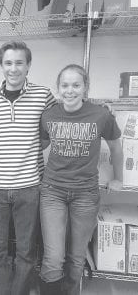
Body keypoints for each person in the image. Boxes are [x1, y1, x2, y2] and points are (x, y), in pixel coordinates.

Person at [0, 40, 56, 295]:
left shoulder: (44, 95)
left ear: (28, 65)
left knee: (26, 249)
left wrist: (99, 110)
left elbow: (63, 120)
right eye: (8, 63)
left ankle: (20, 291)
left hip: (29, 186)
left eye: (19, 63)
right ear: (1, 66)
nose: (14, 69)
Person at [39, 64, 123, 295]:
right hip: (52, 191)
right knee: (53, 257)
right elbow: (40, 143)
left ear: (85, 88)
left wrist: (118, 178)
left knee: (76, 258)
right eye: (65, 85)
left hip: (85, 194)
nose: (70, 91)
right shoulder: (49, 115)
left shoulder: (101, 115)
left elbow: (116, 148)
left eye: (76, 85)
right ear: (58, 88)